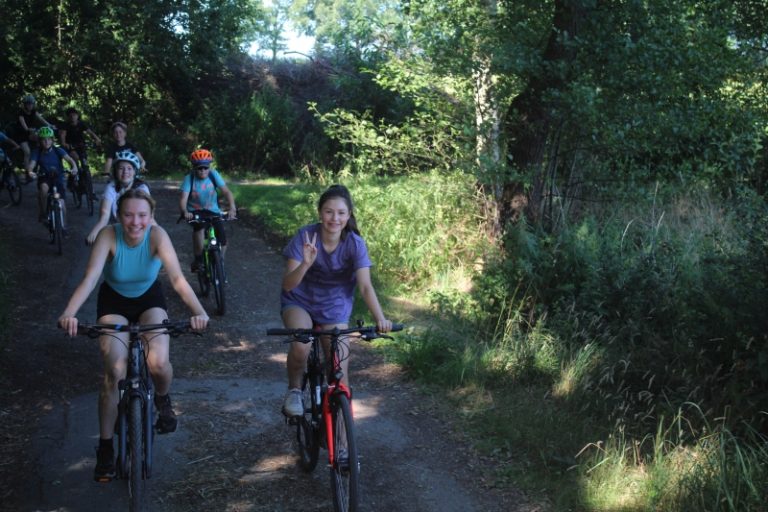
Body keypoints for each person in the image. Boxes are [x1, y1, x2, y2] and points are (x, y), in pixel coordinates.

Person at [58, 188, 209, 482]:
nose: (135, 222)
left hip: (149, 299)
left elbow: (177, 279)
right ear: (119, 215)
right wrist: (69, 313)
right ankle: (105, 448)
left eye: (142, 215)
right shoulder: (108, 236)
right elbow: (90, 278)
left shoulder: (157, 236)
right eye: (128, 215)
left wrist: (199, 312)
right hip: (113, 302)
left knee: (159, 362)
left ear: (151, 216)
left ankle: (163, 400)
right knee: (114, 371)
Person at [280, 184, 392, 417]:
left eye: (341, 213)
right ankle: (294, 390)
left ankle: (339, 432)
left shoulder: (355, 243)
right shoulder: (305, 236)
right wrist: (306, 264)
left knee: (339, 369)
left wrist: (380, 319)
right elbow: (288, 284)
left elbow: (365, 286)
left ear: (348, 215)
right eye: (329, 212)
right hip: (300, 301)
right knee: (302, 343)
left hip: (334, 306)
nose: (335, 218)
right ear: (320, 213)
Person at [178, 149, 237, 272]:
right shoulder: (189, 179)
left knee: (223, 239)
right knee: (199, 229)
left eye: (206, 167)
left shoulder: (213, 175)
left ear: (209, 167)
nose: (203, 170)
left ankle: (220, 261)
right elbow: (183, 198)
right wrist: (185, 212)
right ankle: (198, 260)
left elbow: (226, 191)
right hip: (195, 211)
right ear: (194, 168)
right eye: (199, 168)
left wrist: (232, 207)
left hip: (213, 210)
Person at [86, 150, 149, 244]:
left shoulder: (142, 188)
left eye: (129, 168)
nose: (125, 172)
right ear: (115, 171)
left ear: (135, 171)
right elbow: (105, 214)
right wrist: (95, 232)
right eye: (121, 168)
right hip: (116, 229)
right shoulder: (111, 187)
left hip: (137, 229)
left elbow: (148, 216)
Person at [27, 126, 78, 224]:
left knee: (62, 204)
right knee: (43, 189)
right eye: (44, 140)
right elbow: (32, 164)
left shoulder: (58, 150)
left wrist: (74, 167)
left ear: (52, 140)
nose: (46, 142)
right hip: (44, 177)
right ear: (40, 141)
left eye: (49, 139)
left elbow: (70, 159)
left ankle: (63, 226)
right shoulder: (37, 152)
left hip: (58, 178)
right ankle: (43, 213)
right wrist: (30, 171)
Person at [15, 94, 56, 181]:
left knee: (42, 141)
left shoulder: (34, 112)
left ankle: (40, 159)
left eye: (31, 104)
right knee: (27, 152)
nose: (30, 105)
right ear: (25, 104)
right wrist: (27, 129)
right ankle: (27, 173)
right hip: (21, 134)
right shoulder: (21, 113)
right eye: (28, 104)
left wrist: (50, 125)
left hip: (31, 133)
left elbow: (41, 119)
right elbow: (23, 124)